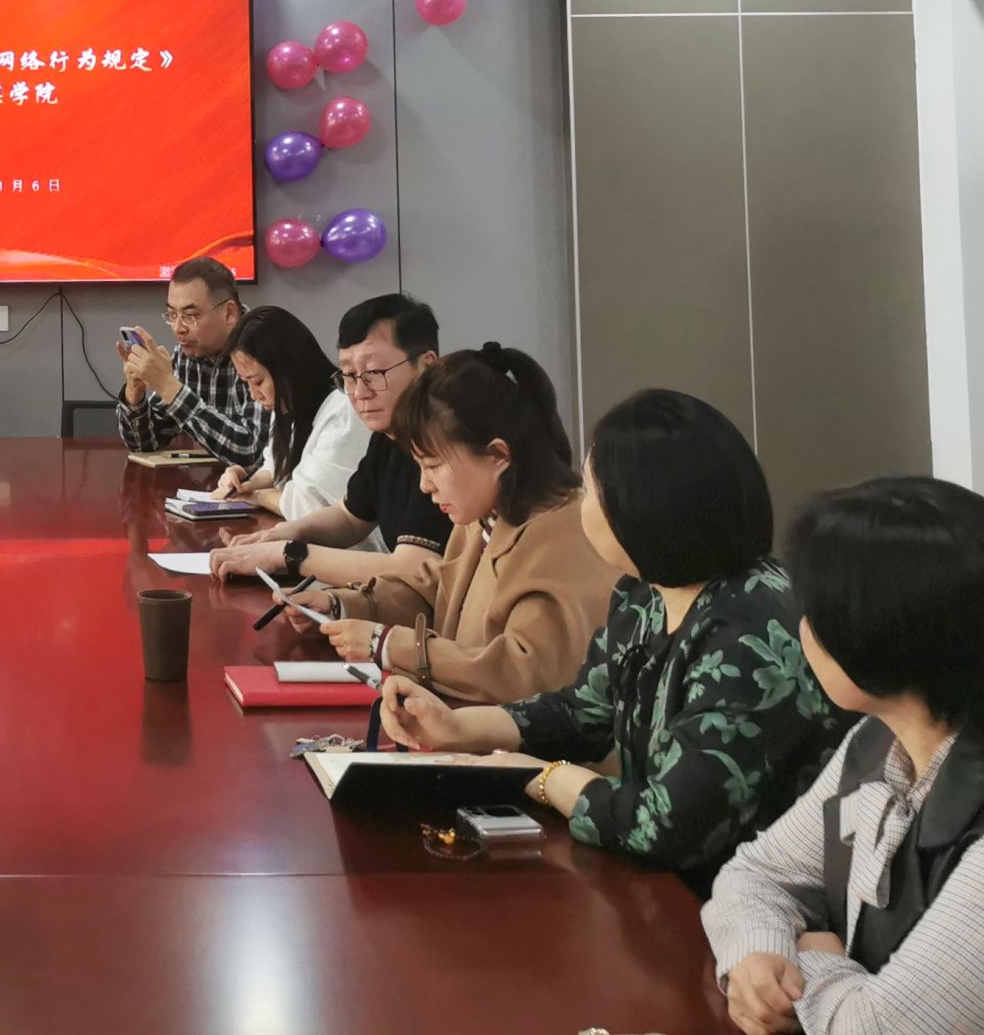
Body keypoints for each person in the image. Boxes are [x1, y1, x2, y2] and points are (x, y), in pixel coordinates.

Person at [378, 389, 846, 892]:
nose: (583, 504)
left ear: (643, 504)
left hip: (765, 909)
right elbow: (583, 712)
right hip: (679, 891)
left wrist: (543, 777)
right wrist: (455, 727)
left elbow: (666, 827)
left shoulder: (749, 634)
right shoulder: (645, 593)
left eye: (592, 489)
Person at [703, 476, 984, 1035]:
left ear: (874, 635)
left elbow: (871, 1027)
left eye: (815, 612)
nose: (802, 628)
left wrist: (813, 960)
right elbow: (757, 872)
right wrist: (759, 954)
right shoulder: (877, 742)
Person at [285, 343, 618, 703]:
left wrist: (389, 645)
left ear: (498, 455)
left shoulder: (563, 537)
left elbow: (522, 672)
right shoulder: (485, 516)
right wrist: (344, 605)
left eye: (433, 465)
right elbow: (440, 595)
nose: (425, 484)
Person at [207, 293, 452, 586]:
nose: (359, 393)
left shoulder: (449, 443)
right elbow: (349, 518)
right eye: (349, 375)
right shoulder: (388, 437)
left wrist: (288, 554)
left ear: (426, 366)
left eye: (374, 373)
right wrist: (278, 536)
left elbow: (413, 569)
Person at [206, 305, 371, 520]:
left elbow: (312, 507)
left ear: (288, 369)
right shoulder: (289, 406)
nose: (254, 395)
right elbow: (275, 467)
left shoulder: (342, 412)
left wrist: (257, 496)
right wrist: (247, 482)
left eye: (258, 381)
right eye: (246, 383)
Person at [116, 256, 269, 470]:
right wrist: (135, 394)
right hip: (223, 485)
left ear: (229, 313)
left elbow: (253, 453)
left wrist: (167, 386)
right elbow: (145, 444)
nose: (178, 328)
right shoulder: (188, 353)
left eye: (190, 315)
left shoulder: (263, 347)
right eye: (172, 314)